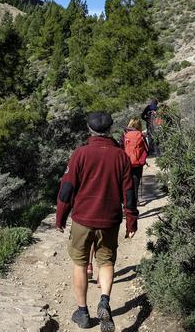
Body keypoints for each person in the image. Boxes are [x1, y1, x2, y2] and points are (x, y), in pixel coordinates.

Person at [56, 111, 138, 332]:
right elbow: (129, 192)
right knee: (107, 262)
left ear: (89, 129)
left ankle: (82, 313)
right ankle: (104, 300)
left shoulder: (80, 154)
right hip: (110, 220)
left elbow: (67, 188)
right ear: (110, 129)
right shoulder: (121, 156)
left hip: (83, 219)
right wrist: (131, 220)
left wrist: (61, 215)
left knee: (81, 263)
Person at [122, 118, 148, 201]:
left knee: (127, 183)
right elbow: (147, 149)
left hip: (126, 163)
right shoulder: (141, 135)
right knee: (136, 183)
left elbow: (120, 147)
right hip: (138, 163)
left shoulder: (124, 135)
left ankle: (127, 201)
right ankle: (135, 201)